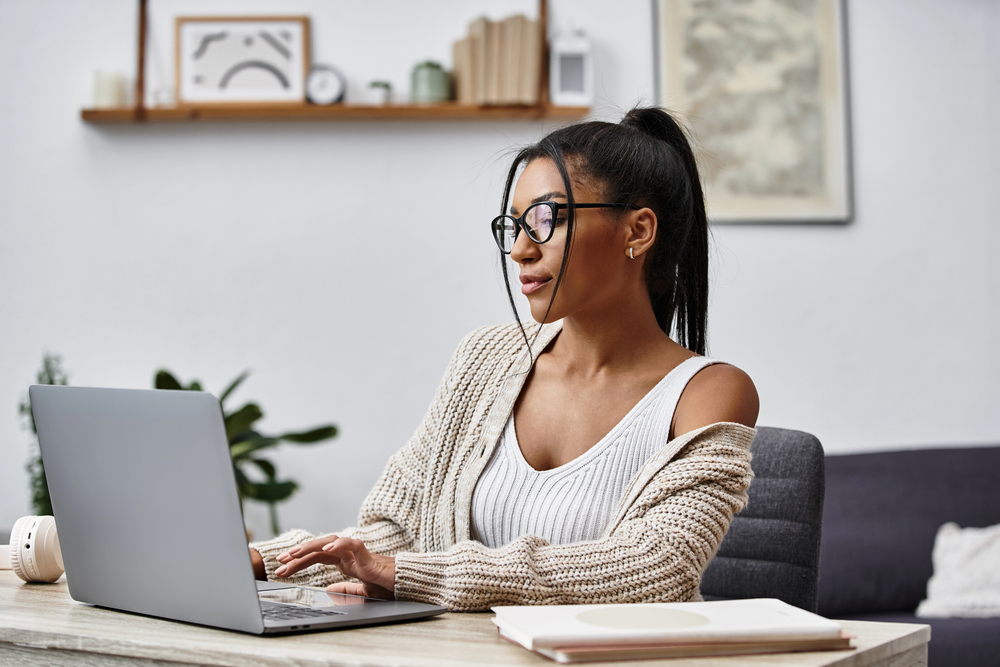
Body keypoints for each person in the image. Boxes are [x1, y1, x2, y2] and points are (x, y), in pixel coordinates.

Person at [248, 107, 759, 611]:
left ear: (638, 232)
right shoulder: (486, 359)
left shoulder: (708, 392)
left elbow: (657, 566)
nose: (519, 250)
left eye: (543, 220)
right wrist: (262, 561)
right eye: (512, 226)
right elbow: (394, 532)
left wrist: (407, 575)